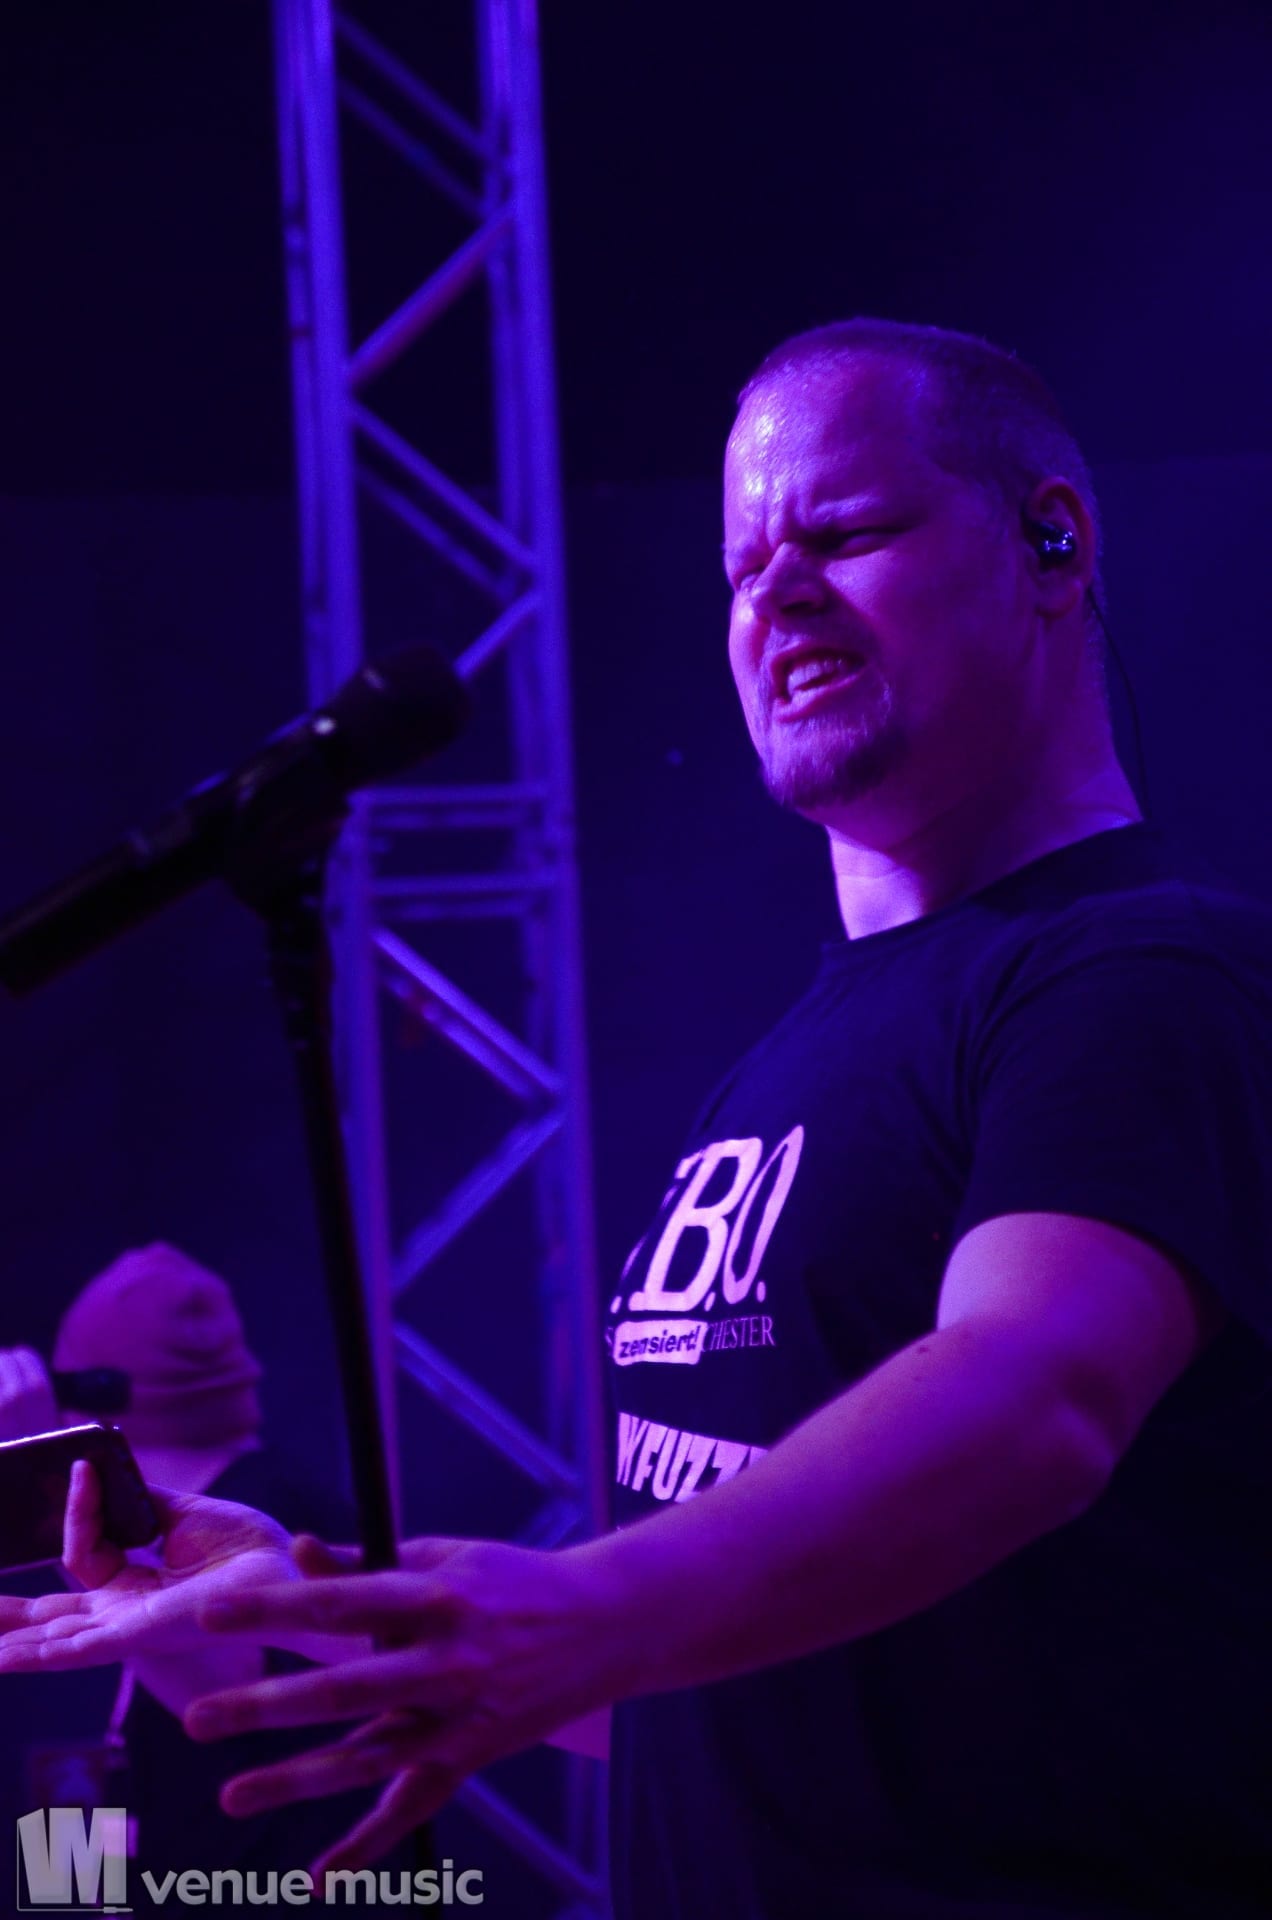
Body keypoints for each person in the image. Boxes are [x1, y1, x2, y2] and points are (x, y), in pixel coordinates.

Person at [3, 319, 1270, 1919]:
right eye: (742, 566)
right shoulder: (796, 1058)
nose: (777, 595)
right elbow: (713, 1685)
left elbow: (1036, 1393)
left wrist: (586, 1605)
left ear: (1051, 542)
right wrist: (315, 1600)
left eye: (845, 533)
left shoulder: (1143, 972)